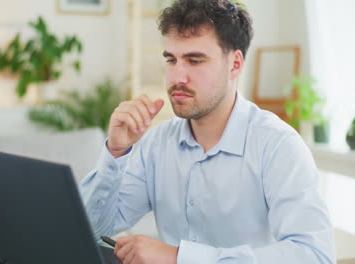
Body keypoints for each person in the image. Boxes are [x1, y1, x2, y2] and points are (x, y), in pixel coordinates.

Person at [79, 0, 335, 263]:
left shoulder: (278, 145)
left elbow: (315, 255)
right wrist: (116, 151)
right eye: (171, 60)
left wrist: (181, 257)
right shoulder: (157, 144)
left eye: (195, 60)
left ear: (235, 64)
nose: (177, 77)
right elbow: (91, 232)